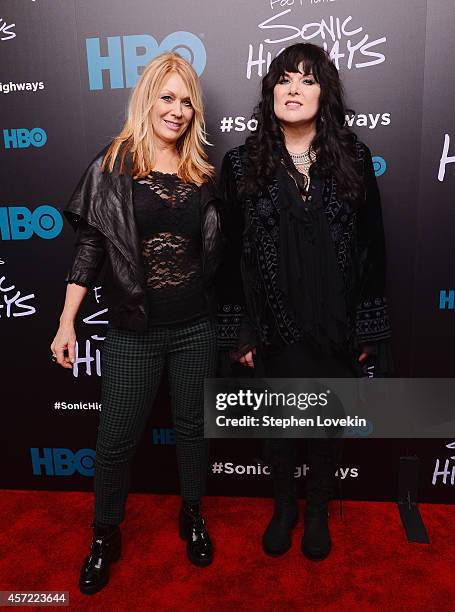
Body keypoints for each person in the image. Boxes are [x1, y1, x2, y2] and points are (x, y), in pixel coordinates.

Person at [50, 52, 222, 595]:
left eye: (187, 100)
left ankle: (192, 514)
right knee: (115, 441)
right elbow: (90, 248)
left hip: (196, 327)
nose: (178, 110)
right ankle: (105, 535)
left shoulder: (203, 172)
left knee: (194, 432)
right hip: (134, 331)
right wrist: (65, 323)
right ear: (148, 99)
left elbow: (219, 255)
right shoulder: (114, 164)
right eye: (167, 97)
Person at [219, 43, 391, 561]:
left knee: (323, 424)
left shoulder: (355, 159)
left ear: (326, 93)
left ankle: (317, 510)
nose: (294, 90)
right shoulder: (240, 163)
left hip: (334, 324)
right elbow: (229, 258)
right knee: (277, 427)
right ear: (270, 90)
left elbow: (373, 246)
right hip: (273, 326)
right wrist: (241, 331)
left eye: (308, 80)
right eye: (284, 80)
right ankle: (285, 508)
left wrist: (367, 327)